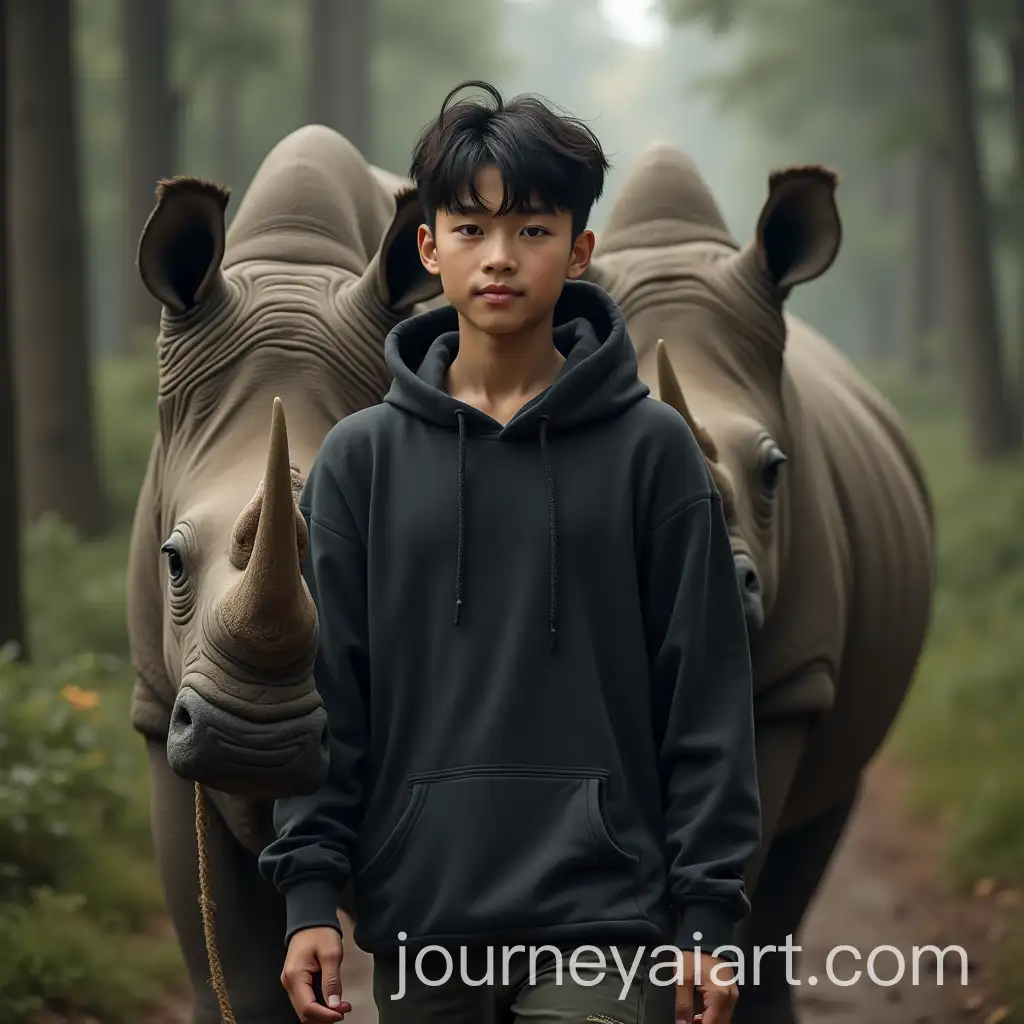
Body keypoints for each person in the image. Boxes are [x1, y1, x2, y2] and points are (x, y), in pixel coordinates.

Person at [258, 79, 762, 1024]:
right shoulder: (359, 462)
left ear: (580, 252)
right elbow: (329, 697)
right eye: (470, 227)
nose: (499, 257)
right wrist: (309, 896)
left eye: (532, 230)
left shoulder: (653, 452)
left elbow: (705, 698)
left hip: (606, 917)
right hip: (422, 918)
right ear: (428, 247)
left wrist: (707, 914)